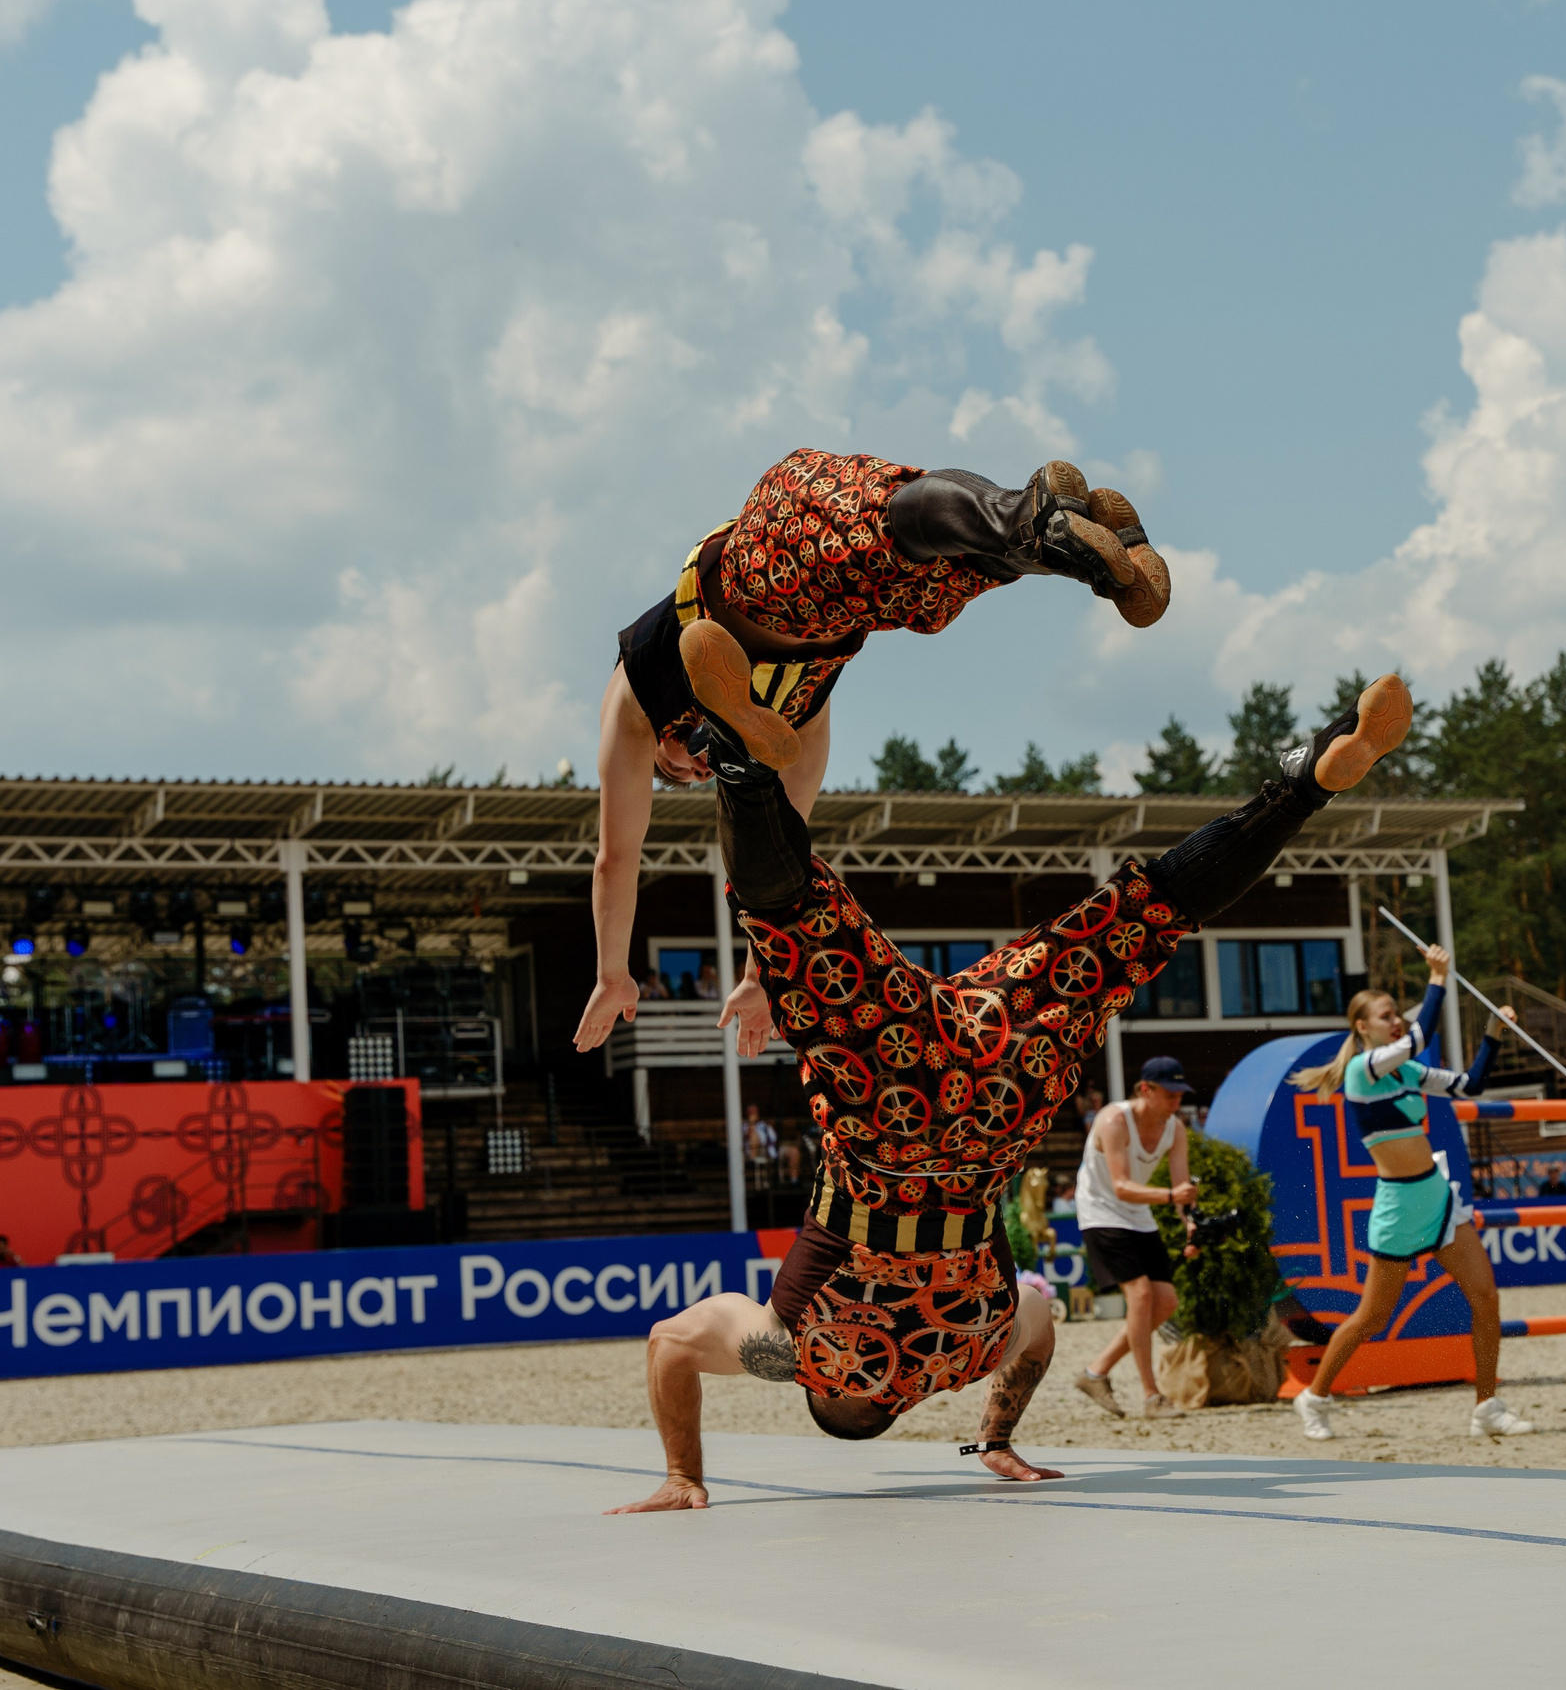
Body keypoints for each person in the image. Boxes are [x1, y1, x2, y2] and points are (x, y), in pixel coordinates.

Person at [606, 671, 1414, 1504]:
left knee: (1145, 920)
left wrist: (996, 1435)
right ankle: (734, 762)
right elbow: (672, 1341)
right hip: (890, 1102)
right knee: (790, 924)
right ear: (827, 1397)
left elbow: (1040, 1327)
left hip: (1000, 1093)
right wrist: (681, 1471)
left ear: (889, 1406)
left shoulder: (968, 1352)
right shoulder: (797, 1353)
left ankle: (1301, 786)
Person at [574, 453, 1171, 1058]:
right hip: (846, 617)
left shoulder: (635, 695)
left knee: (881, 520)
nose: (693, 767)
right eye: (699, 772)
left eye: (678, 761)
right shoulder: (798, 714)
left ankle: (1036, 516)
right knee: (944, 574)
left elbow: (616, 858)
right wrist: (760, 976)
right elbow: (779, 862)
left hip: (766, 560)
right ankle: (1067, 543)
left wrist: (610, 973)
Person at [1287, 945, 1531, 1442]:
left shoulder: (1406, 1071)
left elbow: (1471, 1086)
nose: (1396, 1020)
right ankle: (1313, 1397)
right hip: (1398, 1208)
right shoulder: (1364, 1071)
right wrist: (1437, 977)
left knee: (1484, 1297)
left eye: (1397, 1013)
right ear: (1363, 1028)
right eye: (1385, 1015)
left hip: (1437, 1199)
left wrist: (1492, 1034)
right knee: (1371, 1318)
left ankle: (1487, 1405)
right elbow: (1422, 1035)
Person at [1070, 1058, 1198, 1420]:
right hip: (1100, 1210)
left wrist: (1190, 1222)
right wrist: (1174, 1199)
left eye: (1180, 1095)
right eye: (1170, 1094)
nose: (1176, 1102)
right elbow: (1123, 1188)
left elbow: (1181, 1188)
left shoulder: (1175, 1128)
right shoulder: (1113, 1119)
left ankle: (1095, 1372)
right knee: (1141, 1295)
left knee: (1166, 1302)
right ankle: (1152, 1397)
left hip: (1137, 1212)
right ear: (1146, 1089)